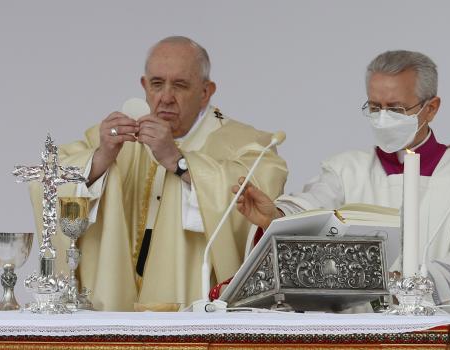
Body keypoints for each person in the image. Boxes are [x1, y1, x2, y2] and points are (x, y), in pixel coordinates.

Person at [28, 36, 288, 311]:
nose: (165, 97)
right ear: (144, 86)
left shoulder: (243, 141)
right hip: (118, 296)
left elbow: (262, 187)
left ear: (205, 91)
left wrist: (180, 163)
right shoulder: (119, 139)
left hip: (196, 301)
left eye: (180, 85)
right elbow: (48, 179)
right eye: (156, 84)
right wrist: (102, 158)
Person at [232, 50, 450, 313]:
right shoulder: (346, 170)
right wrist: (276, 216)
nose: (383, 118)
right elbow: (312, 208)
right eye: (374, 107)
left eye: (395, 109)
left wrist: (405, 289)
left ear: (431, 108)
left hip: (431, 324)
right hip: (356, 328)